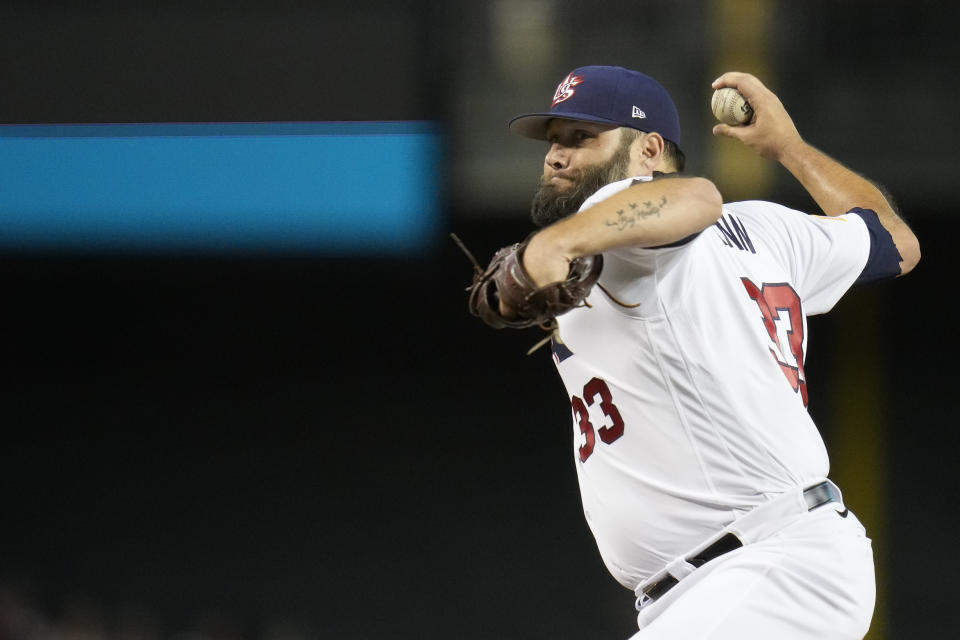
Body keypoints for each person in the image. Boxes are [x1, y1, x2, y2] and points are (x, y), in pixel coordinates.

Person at [499, 66, 920, 639]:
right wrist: (790, 150)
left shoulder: (628, 221)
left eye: (581, 138)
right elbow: (892, 241)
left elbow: (695, 196)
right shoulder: (766, 230)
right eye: (553, 141)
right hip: (752, 573)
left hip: (763, 564)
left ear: (648, 149)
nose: (555, 156)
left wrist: (555, 240)